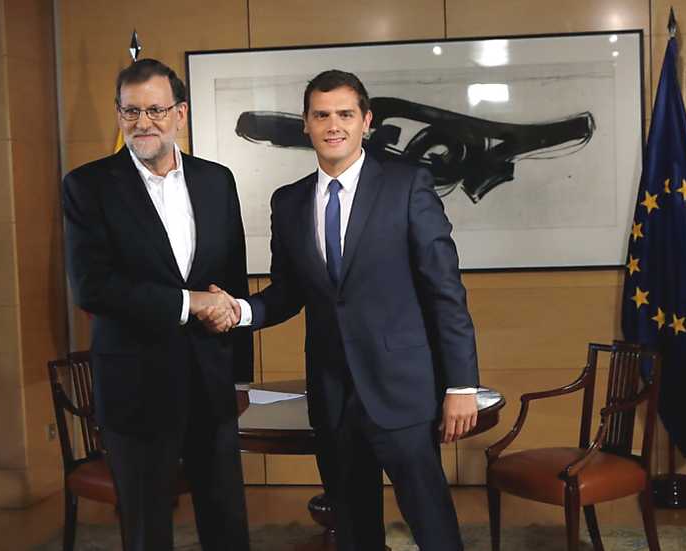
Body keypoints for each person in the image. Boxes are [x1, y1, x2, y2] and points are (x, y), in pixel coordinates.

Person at [205, 69, 481, 550]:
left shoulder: (407, 185)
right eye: (321, 115)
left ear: (366, 121)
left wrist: (461, 385)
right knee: (352, 530)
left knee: (433, 526)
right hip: (332, 395)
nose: (333, 125)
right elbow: (287, 292)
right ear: (306, 124)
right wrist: (240, 312)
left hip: (403, 391)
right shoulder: (288, 202)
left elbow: (445, 290)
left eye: (345, 114)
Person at [62, 58, 252, 551]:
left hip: (211, 381)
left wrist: (239, 377)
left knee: (228, 522)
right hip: (136, 385)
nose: (142, 122)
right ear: (119, 114)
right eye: (130, 111)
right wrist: (190, 302)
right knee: (147, 531)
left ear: (180, 114)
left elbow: (233, 279)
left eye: (155, 110)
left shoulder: (217, 180)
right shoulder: (87, 186)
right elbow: (93, 288)